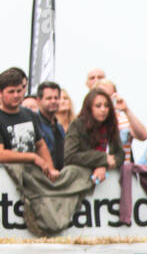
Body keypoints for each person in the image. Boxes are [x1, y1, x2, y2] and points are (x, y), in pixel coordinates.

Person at [1, 66, 91, 236]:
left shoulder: (29, 114)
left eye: (20, 91)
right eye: (11, 91)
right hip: (12, 181)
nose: (16, 95)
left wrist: (50, 169)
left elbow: (40, 144)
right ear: (1, 93)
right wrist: (33, 158)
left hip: (35, 175)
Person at [64, 88, 127, 185]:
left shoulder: (110, 125)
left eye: (106, 106)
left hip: (107, 181)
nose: (103, 109)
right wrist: (102, 159)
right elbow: (70, 156)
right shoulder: (77, 125)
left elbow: (120, 155)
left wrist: (103, 165)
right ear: (89, 108)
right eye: (98, 106)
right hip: (78, 179)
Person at [32, 81, 65, 170]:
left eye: (56, 98)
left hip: (59, 175)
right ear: (39, 100)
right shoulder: (33, 124)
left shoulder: (59, 127)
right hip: (40, 176)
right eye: (49, 98)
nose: (53, 101)